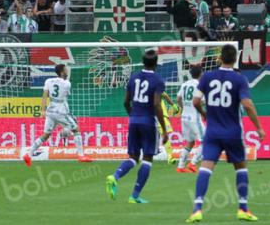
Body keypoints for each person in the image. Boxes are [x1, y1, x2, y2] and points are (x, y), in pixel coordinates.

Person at [186, 43, 264, 223]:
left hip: (212, 132)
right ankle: (243, 208)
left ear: (220, 58)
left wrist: (204, 114)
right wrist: (259, 127)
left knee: (205, 167)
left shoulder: (207, 76)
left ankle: (197, 209)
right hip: (232, 132)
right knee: (241, 168)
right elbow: (247, 105)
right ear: (235, 59)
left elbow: (196, 101)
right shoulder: (239, 79)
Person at [106, 49, 167, 204]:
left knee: (133, 157)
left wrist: (133, 116)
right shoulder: (158, 80)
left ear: (143, 62)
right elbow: (156, 104)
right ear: (156, 64)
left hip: (134, 121)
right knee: (147, 158)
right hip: (148, 123)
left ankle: (115, 176)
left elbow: (125, 102)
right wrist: (164, 129)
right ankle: (134, 196)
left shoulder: (133, 77)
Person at [24, 63, 91, 165]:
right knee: (76, 130)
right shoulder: (67, 83)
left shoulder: (48, 81)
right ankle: (81, 155)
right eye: (66, 70)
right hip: (61, 112)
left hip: (50, 111)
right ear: (62, 72)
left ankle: (28, 155)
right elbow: (64, 97)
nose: (67, 71)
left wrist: (42, 110)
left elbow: (44, 96)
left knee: (46, 135)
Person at [176, 65, 205, 173]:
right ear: (201, 73)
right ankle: (193, 163)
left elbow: (178, 99)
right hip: (194, 118)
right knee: (206, 141)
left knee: (190, 142)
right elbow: (201, 101)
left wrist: (184, 107)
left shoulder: (185, 84)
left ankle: (180, 166)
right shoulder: (200, 85)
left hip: (184, 117)